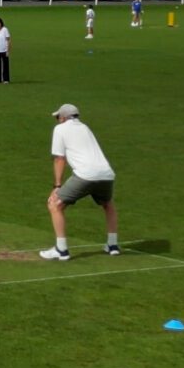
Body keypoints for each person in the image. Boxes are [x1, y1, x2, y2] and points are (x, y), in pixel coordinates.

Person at [40, 104, 119, 261]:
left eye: (58, 117)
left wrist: (57, 186)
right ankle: (113, 245)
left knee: (55, 205)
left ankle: (61, 250)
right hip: (106, 174)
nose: (57, 120)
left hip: (85, 174)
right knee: (108, 204)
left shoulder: (60, 129)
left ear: (63, 117)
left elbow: (59, 159)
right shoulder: (85, 128)